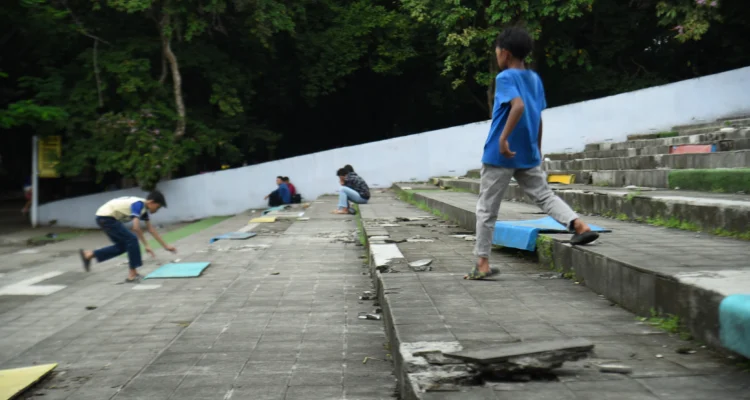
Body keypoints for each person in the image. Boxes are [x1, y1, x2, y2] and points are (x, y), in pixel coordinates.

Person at [466, 26, 598, 280]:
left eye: (496, 52)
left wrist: (503, 139)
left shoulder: (504, 78)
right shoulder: (534, 79)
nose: (496, 56)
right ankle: (579, 225)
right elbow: (536, 115)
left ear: (504, 53)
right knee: (544, 196)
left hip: (500, 154)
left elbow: (518, 106)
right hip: (527, 152)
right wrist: (537, 147)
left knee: (486, 209)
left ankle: (482, 264)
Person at [79, 190, 176, 283]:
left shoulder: (143, 209)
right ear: (151, 202)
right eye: (157, 207)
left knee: (123, 246)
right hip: (106, 217)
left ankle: (89, 254)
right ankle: (132, 274)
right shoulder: (138, 205)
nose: (157, 210)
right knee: (132, 239)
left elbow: (151, 229)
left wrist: (166, 246)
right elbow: (136, 227)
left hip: (104, 218)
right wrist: (146, 245)